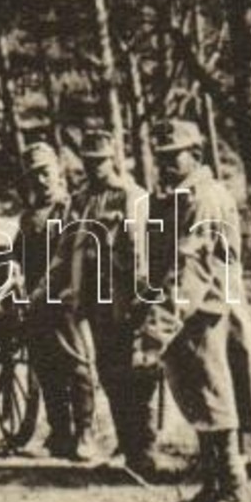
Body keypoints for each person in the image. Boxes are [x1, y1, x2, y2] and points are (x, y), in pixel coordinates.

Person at [151, 120, 251, 502]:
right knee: (200, 397)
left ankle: (234, 490)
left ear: (197, 156)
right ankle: (213, 485)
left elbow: (192, 267)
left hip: (207, 311)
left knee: (216, 398)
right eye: (160, 158)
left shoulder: (204, 199)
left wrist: (160, 324)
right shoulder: (180, 197)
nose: (164, 165)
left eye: (173, 157)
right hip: (195, 310)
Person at [67, 129, 166, 478]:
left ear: (113, 159)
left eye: (100, 161)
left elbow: (141, 248)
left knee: (137, 376)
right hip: (96, 301)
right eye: (88, 162)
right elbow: (76, 248)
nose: (94, 168)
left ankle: (146, 449)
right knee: (109, 374)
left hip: (127, 299)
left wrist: (143, 296)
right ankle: (128, 445)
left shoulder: (131, 195)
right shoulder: (81, 199)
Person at [11, 142, 97, 461]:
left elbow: (74, 255)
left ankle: (85, 432)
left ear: (58, 173)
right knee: (45, 367)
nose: (41, 181)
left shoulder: (72, 210)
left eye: (45, 173)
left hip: (64, 299)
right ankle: (60, 432)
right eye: (33, 175)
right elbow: (17, 255)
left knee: (76, 365)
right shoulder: (29, 217)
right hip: (35, 303)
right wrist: (15, 272)